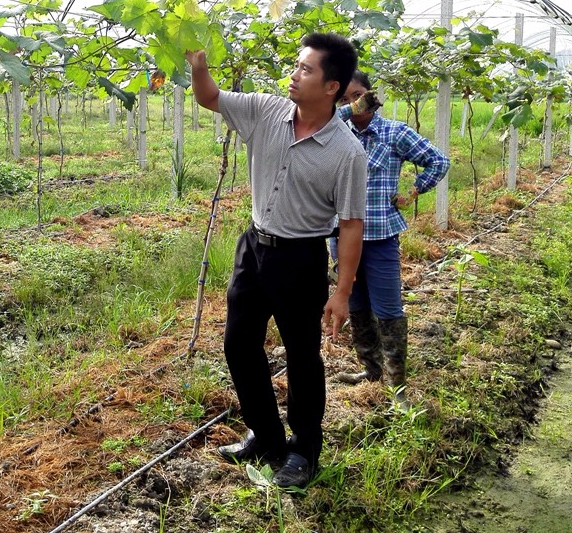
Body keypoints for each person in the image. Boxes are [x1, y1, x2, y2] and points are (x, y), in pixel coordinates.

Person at [186, 32, 367, 489]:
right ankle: (266, 437)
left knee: (303, 356)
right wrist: (198, 64)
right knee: (239, 345)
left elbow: (350, 225)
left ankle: (304, 450)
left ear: (331, 87)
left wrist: (342, 292)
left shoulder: (347, 153)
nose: (294, 73)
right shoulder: (267, 110)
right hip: (253, 248)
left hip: (301, 259)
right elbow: (209, 97)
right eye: (296, 64)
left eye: (306, 69)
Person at [332, 71, 450, 409]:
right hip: (340, 237)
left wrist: (414, 191)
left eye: (355, 96)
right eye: (342, 100)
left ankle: (397, 387)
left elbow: (439, 160)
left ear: (369, 93)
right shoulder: (335, 133)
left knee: (387, 309)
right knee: (355, 305)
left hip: (380, 236)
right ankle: (370, 372)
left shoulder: (393, 133)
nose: (351, 104)